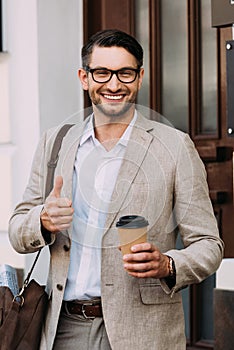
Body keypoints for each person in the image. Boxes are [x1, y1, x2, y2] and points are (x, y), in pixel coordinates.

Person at [9, 29, 224, 350]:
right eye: (102, 73)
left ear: (139, 77)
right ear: (84, 77)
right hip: (63, 329)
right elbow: (16, 231)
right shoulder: (55, 143)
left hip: (145, 333)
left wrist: (168, 265)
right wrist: (42, 220)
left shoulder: (174, 146)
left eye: (125, 73)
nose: (113, 84)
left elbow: (209, 245)